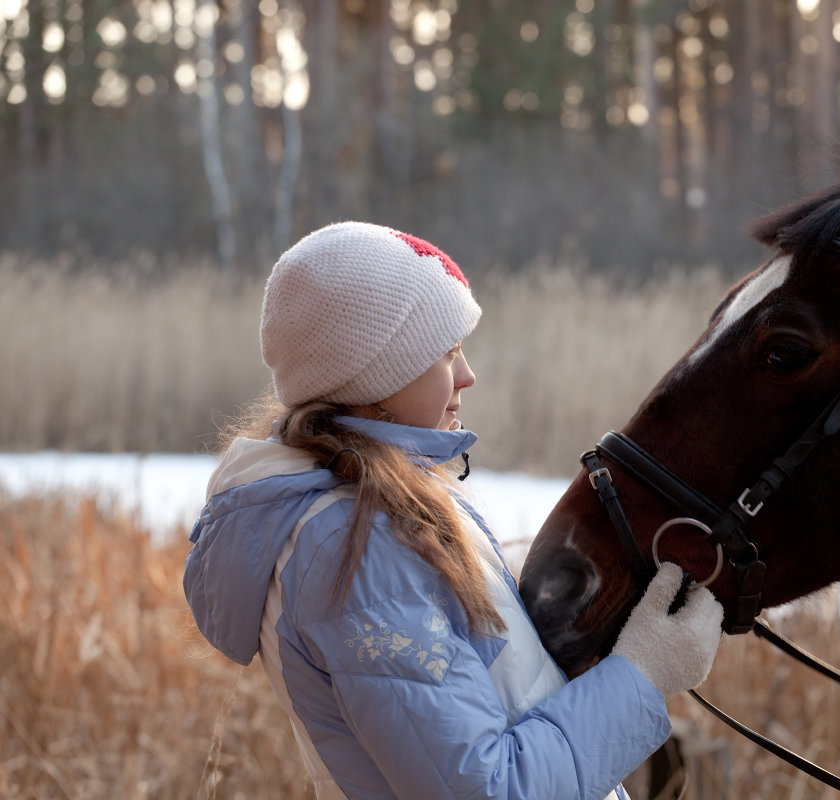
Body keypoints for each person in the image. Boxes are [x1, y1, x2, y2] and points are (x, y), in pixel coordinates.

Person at [182, 221, 724, 800]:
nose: (468, 375)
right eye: (446, 353)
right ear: (377, 377)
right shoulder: (354, 542)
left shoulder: (386, 505)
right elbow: (485, 789)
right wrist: (641, 675)